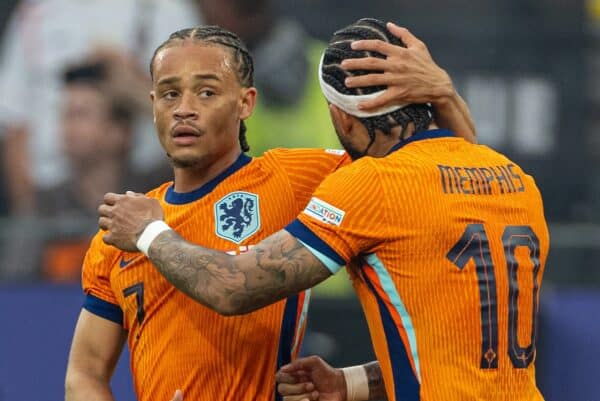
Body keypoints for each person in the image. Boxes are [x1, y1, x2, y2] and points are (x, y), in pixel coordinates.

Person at [99, 18, 549, 401]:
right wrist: (349, 383)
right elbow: (452, 352)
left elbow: (233, 289)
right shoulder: (516, 181)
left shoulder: (370, 184)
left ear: (344, 118)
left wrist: (150, 232)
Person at [0, 0, 197, 215]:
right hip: (53, 199)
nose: (71, 126)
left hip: (154, 183)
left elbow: (204, 117)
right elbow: (14, 122)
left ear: (120, 130)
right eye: (68, 114)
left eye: (80, 115)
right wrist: (31, 219)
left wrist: (134, 85)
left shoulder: (164, 9)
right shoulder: (37, 10)